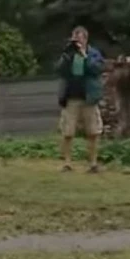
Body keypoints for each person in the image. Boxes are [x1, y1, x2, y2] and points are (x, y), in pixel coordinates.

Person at [54, 25, 105, 173]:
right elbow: (58, 70)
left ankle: (93, 164)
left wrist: (85, 55)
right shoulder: (68, 54)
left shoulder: (93, 53)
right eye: (74, 39)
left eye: (79, 38)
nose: (77, 42)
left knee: (93, 131)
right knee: (68, 132)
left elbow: (97, 69)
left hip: (89, 97)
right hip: (71, 98)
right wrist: (66, 55)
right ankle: (67, 163)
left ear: (85, 39)